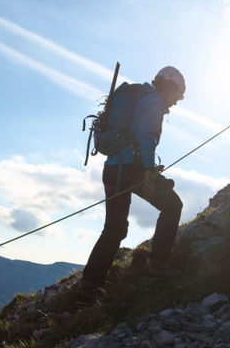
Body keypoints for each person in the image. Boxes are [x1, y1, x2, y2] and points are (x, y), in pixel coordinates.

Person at [77, 66, 186, 305]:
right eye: (177, 95)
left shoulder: (140, 97)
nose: (176, 102)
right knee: (172, 205)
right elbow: (145, 136)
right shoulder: (153, 101)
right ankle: (157, 265)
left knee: (115, 228)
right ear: (168, 87)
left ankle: (89, 286)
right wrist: (148, 171)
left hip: (113, 169)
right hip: (131, 169)